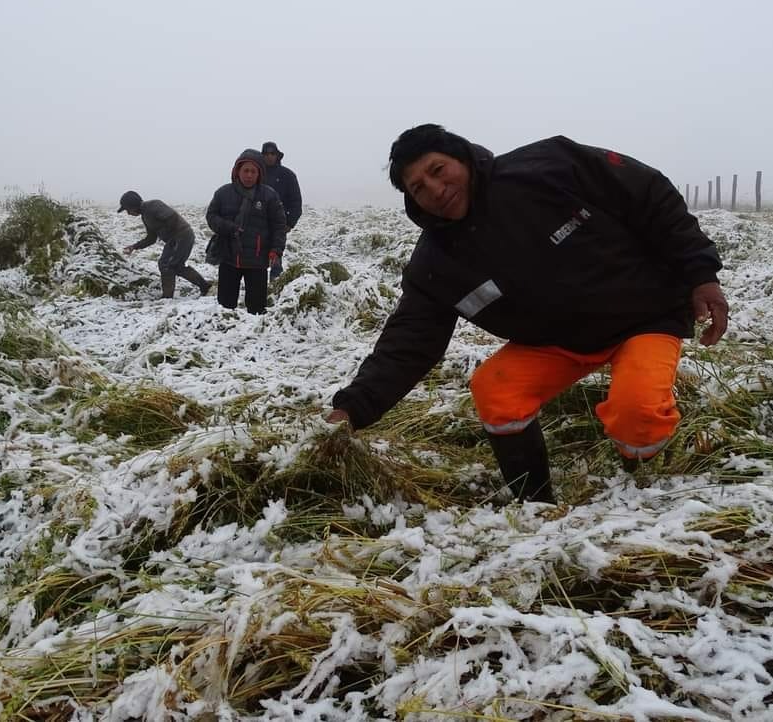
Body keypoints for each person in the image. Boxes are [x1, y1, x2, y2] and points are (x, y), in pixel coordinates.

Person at [327, 124, 729, 504]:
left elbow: (649, 194)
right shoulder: (436, 265)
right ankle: (536, 508)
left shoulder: (549, 166)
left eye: (438, 170)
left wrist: (700, 275)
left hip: (643, 318)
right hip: (559, 343)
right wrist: (352, 409)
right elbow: (409, 341)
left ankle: (644, 494)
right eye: (418, 188)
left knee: (637, 417)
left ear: (462, 158)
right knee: (495, 390)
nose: (435, 189)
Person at [206, 149, 287, 314]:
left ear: (259, 174)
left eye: (253, 171)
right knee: (225, 308)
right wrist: (229, 227)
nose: (249, 175)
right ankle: (224, 336)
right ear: (237, 171)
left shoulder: (269, 196)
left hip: (257, 260)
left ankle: (257, 338)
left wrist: (276, 250)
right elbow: (211, 216)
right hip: (229, 257)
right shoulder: (223, 193)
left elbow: (279, 225)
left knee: (257, 309)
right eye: (245, 170)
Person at [118, 190, 211, 298]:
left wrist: (172, 239)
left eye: (128, 210)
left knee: (167, 264)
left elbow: (171, 217)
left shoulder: (153, 205)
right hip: (176, 238)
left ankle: (167, 297)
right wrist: (134, 247)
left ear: (133, 205)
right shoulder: (145, 216)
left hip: (182, 235)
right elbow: (151, 238)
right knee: (175, 265)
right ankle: (204, 286)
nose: (128, 213)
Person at [261, 141, 302, 280]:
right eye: (266, 154)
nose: (269, 157)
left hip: (279, 224)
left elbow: (296, 201)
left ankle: (275, 284)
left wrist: (289, 223)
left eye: (272, 153)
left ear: (277, 155)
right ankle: (257, 285)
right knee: (257, 258)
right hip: (257, 223)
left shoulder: (287, 175)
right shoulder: (256, 174)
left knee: (276, 256)